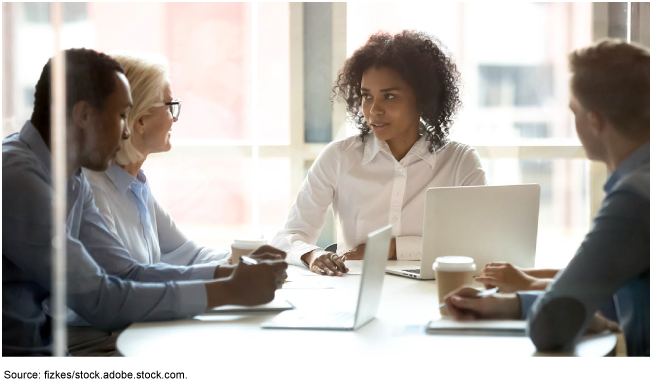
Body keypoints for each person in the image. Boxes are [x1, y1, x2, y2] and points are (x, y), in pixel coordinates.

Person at [2, 48, 287, 356]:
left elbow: (125, 273)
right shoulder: (18, 178)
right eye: (122, 115)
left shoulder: (72, 177)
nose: (126, 131)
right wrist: (229, 289)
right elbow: (101, 301)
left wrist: (227, 274)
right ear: (84, 115)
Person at [442, 39, 650, 356]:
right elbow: (610, 291)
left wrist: (578, 315)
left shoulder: (634, 199)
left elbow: (551, 326)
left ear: (594, 121)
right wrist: (508, 304)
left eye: (574, 111)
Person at [272, 30, 487, 276]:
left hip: (432, 292)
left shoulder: (460, 162)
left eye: (390, 96)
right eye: (366, 96)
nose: (374, 110)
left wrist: (391, 247)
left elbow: (477, 245)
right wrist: (314, 254)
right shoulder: (338, 158)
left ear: (422, 99)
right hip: (354, 292)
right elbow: (287, 237)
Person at [82, 52, 230, 268]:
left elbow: (189, 255)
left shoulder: (136, 186)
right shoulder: (92, 190)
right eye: (170, 107)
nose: (174, 118)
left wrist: (244, 259)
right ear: (140, 120)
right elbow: (122, 281)